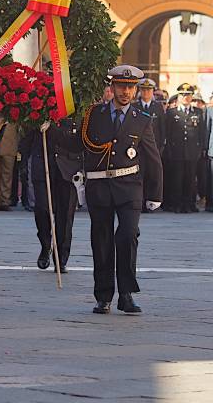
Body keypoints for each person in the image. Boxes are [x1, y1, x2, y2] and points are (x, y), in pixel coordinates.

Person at [56, 65, 162, 314]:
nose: (126, 91)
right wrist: (50, 130)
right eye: (121, 86)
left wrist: (155, 194)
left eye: (130, 87)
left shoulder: (143, 120)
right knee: (101, 240)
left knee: (127, 235)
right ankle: (103, 295)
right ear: (112, 87)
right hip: (100, 185)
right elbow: (78, 143)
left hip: (129, 188)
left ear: (135, 89)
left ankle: (125, 294)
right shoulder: (95, 114)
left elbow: (152, 157)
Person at [19, 117, 82, 273]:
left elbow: (79, 140)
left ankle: (61, 257)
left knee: (65, 215)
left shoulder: (76, 102)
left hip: (68, 165)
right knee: (42, 208)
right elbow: (26, 135)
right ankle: (46, 244)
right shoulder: (41, 104)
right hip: (43, 162)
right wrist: (23, 161)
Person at [164, 83, 205, 213]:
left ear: (192, 96)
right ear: (179, 96)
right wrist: (169, 149)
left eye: (188, 95)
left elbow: (202, 132)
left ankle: (189, 204)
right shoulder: (172, 112)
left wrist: (200, 149)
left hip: (192, 152)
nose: (186, 97)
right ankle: (177, 204)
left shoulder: (198, 112)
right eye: (183, 95)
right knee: (177, 179)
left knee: (190, 179)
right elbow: (167, 133)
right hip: (177, 151)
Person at [133, 78, 166, 213]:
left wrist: (160, 147)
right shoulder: (134, 106)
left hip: (153, 149)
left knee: (152, 175)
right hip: (138, 149)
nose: (146, 92)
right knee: (139, 176)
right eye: (144, 89)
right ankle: (138, 202)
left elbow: (162, 129)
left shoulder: (158, 107)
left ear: (152, 91)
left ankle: (150, 201)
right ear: (140, 91)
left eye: (149, 90)